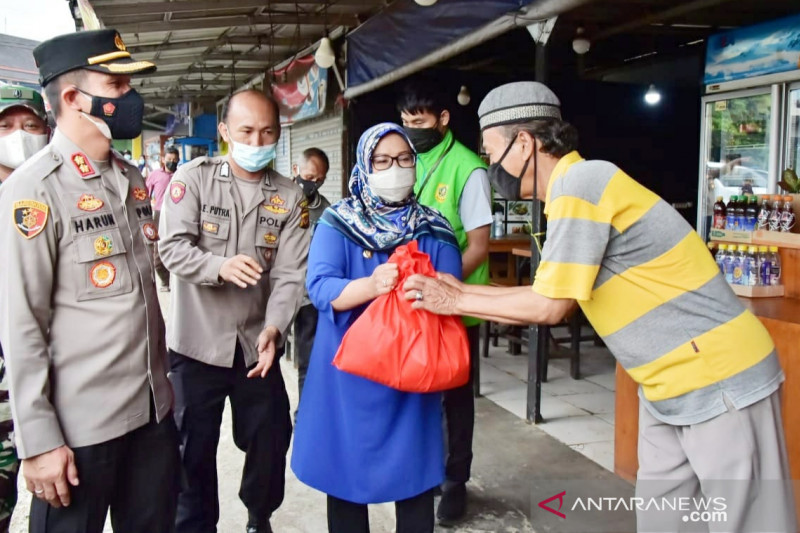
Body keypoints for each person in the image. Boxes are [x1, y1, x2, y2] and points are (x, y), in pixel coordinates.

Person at [404, 81, 795, 532]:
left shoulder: (584, 184)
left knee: (749, 522)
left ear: (525, 142)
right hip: (664, 386)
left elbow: (551, 307)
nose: (492, 167)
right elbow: (545, 295)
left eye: (492, 154)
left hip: (719, 378)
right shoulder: (566, 197)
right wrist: (453, 291)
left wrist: (454, 297)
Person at [0, 29, 180, 533]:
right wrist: (37, 442)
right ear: (75, 98)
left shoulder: (132, 179)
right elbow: (21, 324)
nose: (131, 97)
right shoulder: (33, 190)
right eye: (117, 86)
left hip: (152, 414)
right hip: (78, 431)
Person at [291, 123, 463, 533]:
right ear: (364, 166)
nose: (395, 169)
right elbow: (320, 286)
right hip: (349, 375)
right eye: (382, 161)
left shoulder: (433, 226)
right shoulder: (338, 221)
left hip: (413, 374)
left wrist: (426, 289)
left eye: (404, 160)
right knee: (347, 480)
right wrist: (370, 285)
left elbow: (452, 293)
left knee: (414, 480)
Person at [158, 88, 310, 533]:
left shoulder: (289, 197)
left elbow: (289, 276)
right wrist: (217, 266)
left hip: (254, 346)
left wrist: (276, 329)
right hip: (195, 346)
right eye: (246, 130)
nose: (257, 140)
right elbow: (171, 248)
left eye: (267, 132)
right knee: (191, 451)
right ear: (224, 131)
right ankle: (195, 526)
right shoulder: (193, 179)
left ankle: (258, 515)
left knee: (271, 436)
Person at [397, 80, 491, 524]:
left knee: (454, 396)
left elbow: (478, 245)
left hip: (456, 302)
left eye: (419, 123)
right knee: (420, 390)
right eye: (405, 123)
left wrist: (446, 290)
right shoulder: (407, 159)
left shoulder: (467, 168)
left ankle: (456, 482)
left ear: (443, 119)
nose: (411, 131)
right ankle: (430, 470)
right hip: (415, 300)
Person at [0, 84, 49, 532]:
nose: (19, 135)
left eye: (30, 126)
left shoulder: (54, 196)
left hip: (39, 388)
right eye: (7, 126)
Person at [291, 147, 331, 405]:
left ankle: (303, 414)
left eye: (319, 179)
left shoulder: (325, 210)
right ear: (296, 170)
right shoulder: (274, 198)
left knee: (309, 361)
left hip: (307, 298)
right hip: (274, 292)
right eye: (309, 176)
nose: (313, 183)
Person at [146, 145, 180, 290]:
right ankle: (165, 281)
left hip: (178, 214)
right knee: (158, 251)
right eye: (169, 159)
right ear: (162, 159)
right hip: (159, 215)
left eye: (174, 160)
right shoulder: (155, 175)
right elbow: (144, 195)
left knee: (180, 246)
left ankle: (181, 283)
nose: (172, 162)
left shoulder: (182, 175)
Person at [0, 85, 49, 182]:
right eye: (5, 126)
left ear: (47, 132)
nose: (19, 133)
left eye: (31, 125)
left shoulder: (61, 185)